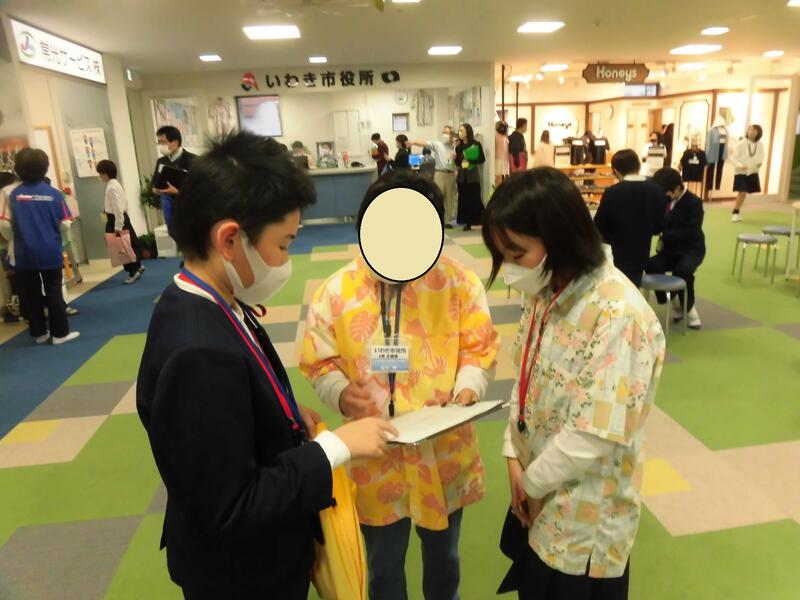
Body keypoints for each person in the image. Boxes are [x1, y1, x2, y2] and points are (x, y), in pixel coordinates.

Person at [136, 131, 397, 599]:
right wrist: (335, 447)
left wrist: (283, 417)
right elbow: (232, 506)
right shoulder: (198, 354)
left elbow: (227, 417)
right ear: (229, 239)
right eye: (284, 244)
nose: (286, 261)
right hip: (241, 574)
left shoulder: (209, 300)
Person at [301, 171, 499, 600]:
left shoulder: (459, 283)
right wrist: (339, 392)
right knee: (383, 565)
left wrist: (469, 385)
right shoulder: (337, 292)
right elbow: (319, 358)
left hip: (442, 447)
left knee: (444, 558)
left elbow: (478, 347)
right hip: (374, 452)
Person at [482, 168, 665, 600]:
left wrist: (530, 484)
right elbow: (524, 380)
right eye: (502, 254)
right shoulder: (547, 292)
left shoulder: (618, 314)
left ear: (559, 238)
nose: (509, 268)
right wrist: (513, 456)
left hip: (585, 522)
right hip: (539, 495)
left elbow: (592, 434)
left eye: (517, 253)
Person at [0, 149, 80, 345]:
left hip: (24, 252)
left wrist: (16, 239)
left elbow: (4, 224)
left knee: (31, 293)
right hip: (50, 249)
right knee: (54, 291)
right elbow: (65, 224)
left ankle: (39, 333)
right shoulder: (54, 194)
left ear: (18, 169)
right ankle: (60, 334)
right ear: (45, 168)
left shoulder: (10, 194)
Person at [594, 149, 667, 287]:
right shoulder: (656, 190)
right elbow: (659, 225)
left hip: (616, 253)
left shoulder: (613, 192)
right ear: (638, 166)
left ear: (616, 171)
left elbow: (599, 226)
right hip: (642, 251)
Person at [648, 168, 706, 330]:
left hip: (691, 249)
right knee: (650, 265)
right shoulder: (664, 199)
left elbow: (692, 232)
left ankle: (689, 309)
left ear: (677, 188)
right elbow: (657, 223)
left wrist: (664, 234)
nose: (664, 195)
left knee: (683, 271)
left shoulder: (694, 202)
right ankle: (671, 300)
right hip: (670, 250)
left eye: (667, 192)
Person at [97, 160, 145, 285]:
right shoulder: (114, 184)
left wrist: (118, 226)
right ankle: (138, 266)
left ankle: (132, 272)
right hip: (119, 217)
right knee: (129, 244)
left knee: (121, 247)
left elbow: (118, 207)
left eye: (100, 173)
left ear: (105, 173)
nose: (99, 176)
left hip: (116, 219)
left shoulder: (112, 187)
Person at [152, 126, 196, 238]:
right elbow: (155, 182)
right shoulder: (161, 161)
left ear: (175, 143)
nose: (161, 146)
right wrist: (156, 189)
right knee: (175, 237)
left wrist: (178, 192)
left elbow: (200, 190)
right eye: (159, 142)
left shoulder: (193, 161)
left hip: (189, 210)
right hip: (169, 208)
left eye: (163, 142)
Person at [409, 125, 458, 229]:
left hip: (451, 174)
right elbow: (426, 143)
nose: (444, 135)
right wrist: (414, 142)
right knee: (438, 196)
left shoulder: (455, 146)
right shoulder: (438, 144)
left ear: (451, 134)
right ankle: (437, 218)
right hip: (439, 173)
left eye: (447, 133)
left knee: (450, 198)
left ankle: (447, 221)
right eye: (443, 133)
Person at [731, 124, 765, 223]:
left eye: (754, 130)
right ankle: (735, 212)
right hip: (741, 171)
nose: (751, 132)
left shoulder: (760, 144)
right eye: (749, 130)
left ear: (758, 133)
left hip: (752, 171)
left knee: (744, 193)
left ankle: (737, 211)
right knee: (742, 191)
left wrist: (760, 162)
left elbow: (761, 155)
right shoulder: (741, 143)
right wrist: (741, 166)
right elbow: (734, 158)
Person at [455, 123, 486, 231]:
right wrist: (456, 159)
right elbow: (457, 163)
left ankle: (481, 220)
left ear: (468, 132)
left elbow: (481, 159)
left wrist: (469, 159)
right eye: (459, 131)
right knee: (463, 199)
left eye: (462, 130)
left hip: (472, 175)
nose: (459, 133)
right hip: (462, 176)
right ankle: (467, 222)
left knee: (475, 198)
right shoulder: (458, 147)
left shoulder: (476, 144)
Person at [496, 121, 510, 186]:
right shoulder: (497, 135)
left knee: (501, 178)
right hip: (498, 159)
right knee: (498, 179)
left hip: (503, 159)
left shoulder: (504, 137)